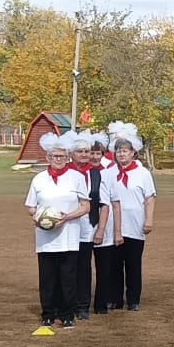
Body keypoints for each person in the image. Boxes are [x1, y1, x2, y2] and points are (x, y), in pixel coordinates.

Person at [24, 132, 90, 329]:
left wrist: (67, 217)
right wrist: (39, 220)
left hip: (69, 236)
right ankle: (48, 314)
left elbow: (86, 206)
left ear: (67, 158)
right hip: (45, 239)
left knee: (68, 279)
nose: (59, 159)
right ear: (48, 158)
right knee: (47, 279)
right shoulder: (39, 179)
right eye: (55, 156)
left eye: (62, 156)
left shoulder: (76, 178)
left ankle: (67, 314)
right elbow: (31, 207)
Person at [108, 124, 156, 311]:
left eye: (125, 151)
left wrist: (148, 220)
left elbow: (149, 198)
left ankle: (134, 298)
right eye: (119, 151)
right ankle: (115, 298)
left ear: (133, 153)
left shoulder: (142, 173)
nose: (121, 154)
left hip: (135, 224)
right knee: (114, 264)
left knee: (133, 264)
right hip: (114, 225)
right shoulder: (110, 172)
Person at [67, 130, 108, 320]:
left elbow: (103, 202)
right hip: (66, 226)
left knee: (84, 266)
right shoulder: (65, 172)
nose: (84, 154)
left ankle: (82, 305)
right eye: (80, 151)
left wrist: (99, 227)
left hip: (87, 225)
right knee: (68, 266)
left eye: (87, 151)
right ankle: (67, 303)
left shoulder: (96, 174)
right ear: (71, 153)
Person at [88, 131, 121, 315]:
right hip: (84, 227)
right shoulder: (80, 173)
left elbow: (114, 203)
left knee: (105, 268)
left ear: (102, 155)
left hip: (105, 227)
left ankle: (102, 303)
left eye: (97, 153)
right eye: (91, 153)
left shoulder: (108, 174)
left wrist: (116, 231)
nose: (94, 156)